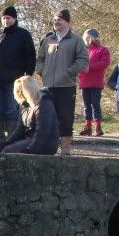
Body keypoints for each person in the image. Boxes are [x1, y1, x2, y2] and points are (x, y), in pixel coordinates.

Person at [0, 6, 36, 146]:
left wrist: (28, 75)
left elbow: (30, 56)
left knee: (12, 111)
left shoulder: (24, 35)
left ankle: (12, 143)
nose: (6, 20)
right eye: (4, 18)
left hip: (15, 81)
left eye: (9, 18)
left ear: (15, 18)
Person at [36, 9, 89, 155]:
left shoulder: (76, 40)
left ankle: (65, 149)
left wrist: (69, 71)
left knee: (66, 118)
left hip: (66, 86)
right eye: (54, 20)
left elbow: (83, 61)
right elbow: (40, 59)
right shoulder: (47, 40)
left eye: (59, 19)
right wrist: (41, 71)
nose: (56, 22)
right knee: (47, 118)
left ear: (67, 21)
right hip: (47, 87)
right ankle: (48, 147)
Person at [0, 76, 60, 155]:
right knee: (4, 149)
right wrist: (7, 142)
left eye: (21, 91)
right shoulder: (25, 104)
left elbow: (42, 133)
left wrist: (29, 150)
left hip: (45, 143)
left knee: (8, 151)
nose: (19, 95)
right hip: (30, 139)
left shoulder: (44, 104)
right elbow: (20, 128)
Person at [77, 28, 111, 136]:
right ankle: (87, 126)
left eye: (87, 37)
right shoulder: (83, 50)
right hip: (84, 81)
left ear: (92, 37)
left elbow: (104, 63)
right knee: (86, 105)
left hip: (96, 82)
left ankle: (98, 126)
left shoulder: (103, 50)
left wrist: (89, 67)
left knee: (95, 104)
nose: (85, 39)